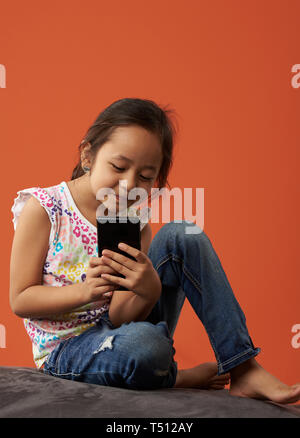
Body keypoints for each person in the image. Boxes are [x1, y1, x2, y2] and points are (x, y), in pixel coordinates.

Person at [10, 97, 300, 404]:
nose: (127, 185)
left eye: (145, 177)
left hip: (121, 330)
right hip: (66, 351)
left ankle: (243, 366)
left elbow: (119, 316)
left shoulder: (136, 225)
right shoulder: (45, 209)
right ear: (88, 155)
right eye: (118, 167)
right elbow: (21, 299)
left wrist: (147, 291)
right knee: (147, 345)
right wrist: (85, 291)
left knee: (183, 234)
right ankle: (176, 376)